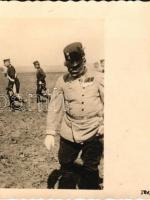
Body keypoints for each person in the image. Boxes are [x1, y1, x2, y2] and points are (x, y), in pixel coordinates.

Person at [44, 42, 104, 189]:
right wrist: (50, 132)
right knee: (65, 162)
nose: (73, 70)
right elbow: (54, 107)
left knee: (91, 168)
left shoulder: (98, 78)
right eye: (69, 66)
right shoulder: (62, 81)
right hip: (70, 130)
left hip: (94, 130)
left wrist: (105, 124)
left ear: (84, 60)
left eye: (76, 66)